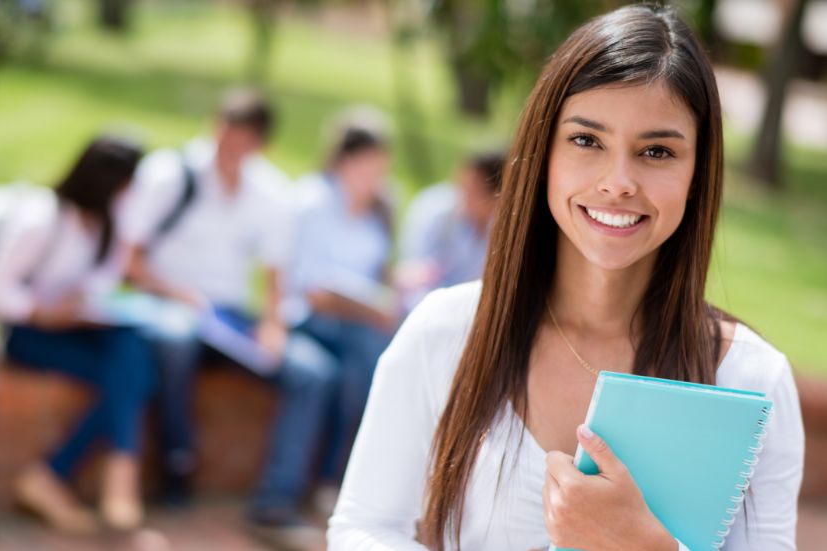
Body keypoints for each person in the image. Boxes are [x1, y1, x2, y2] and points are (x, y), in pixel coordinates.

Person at [328, 5, 804, 551]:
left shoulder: (749, 379)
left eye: (657, 151)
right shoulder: (446, 331)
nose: (618, 182)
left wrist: (642, 545)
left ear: (698, 173)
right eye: (586, 140)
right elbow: (362, 528)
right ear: (543, 154)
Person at [118, 88, 335, 540]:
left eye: (244, 142)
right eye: (227, 136)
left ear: (261, 145)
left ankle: (275, 501)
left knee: (312, 372)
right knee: (176, 340)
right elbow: (129, 261)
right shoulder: (169, 174)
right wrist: (177, 293)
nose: (232, 150)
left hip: (229, 317)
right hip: (169, 305)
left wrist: (273, 326)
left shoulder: (270, 192)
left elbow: (275, 274)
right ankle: (177, 464)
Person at [0, 135, 154, 533]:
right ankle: (100, 475)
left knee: (130, 352)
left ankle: (60, 477)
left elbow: (105, 277)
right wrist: (42, 311)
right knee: (135, 378)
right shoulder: (44, 217)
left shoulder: (112, 219)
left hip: (76, 328)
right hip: (31, 332)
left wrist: (85, 302)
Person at [268, 108, 397, 528]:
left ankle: (336, 483)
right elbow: (313, 289)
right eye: (368, 165)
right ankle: (288, 495)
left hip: (356, 328)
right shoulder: (311, 202)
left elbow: (379, 273)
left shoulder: (381, 208)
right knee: (355, 362)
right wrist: (372, 307)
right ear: (344, 160)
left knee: (367, 370)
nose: (375, 176)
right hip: (308, 321)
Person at [396, 151, 505, 311]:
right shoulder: (433, 211)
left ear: (495, 197)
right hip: (425, 305)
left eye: (474, 189)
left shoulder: (501, 229)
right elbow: (409, 273)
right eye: (462, 184)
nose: (463, 193)